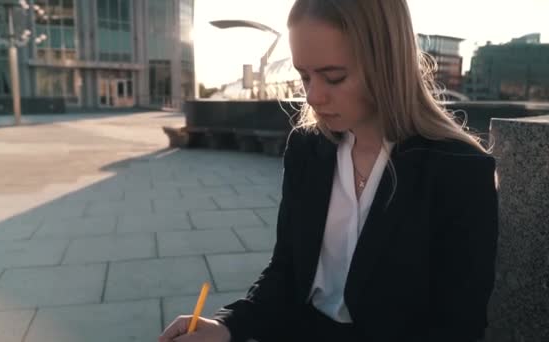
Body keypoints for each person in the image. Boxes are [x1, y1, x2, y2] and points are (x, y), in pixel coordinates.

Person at [159, 0, 498, 341]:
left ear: (387, 63)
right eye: (304, 76)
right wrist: (226, 326)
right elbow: (286, 273)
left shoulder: (459, 170)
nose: (313, 96)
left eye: (334, 77)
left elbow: (459, 324)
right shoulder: (308, 148)